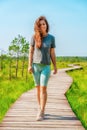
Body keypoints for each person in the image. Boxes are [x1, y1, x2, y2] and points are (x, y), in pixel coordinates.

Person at [28, 16, 57, 121]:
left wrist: (55, 66)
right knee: (38, 89)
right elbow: (31, 52)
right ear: (38, 26)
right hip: (35, 66)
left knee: (43, 88)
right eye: (40, 24)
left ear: (46, 25)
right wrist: (29, 65)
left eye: (44, 24)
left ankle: (41, 111)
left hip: (46, 66)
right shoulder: (33, 37)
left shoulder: (51, 38)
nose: (42, 26)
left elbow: (52, 53)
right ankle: (40, 109)